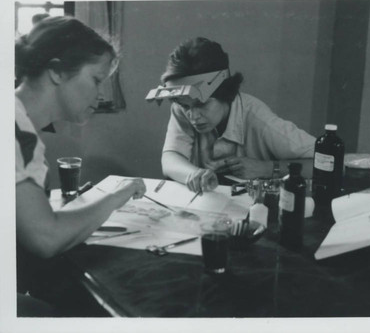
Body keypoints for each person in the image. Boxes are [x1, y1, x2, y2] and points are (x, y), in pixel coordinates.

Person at [15, 16, 146, 316]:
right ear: (58, 71)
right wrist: (117, 196)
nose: (101, 95)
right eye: (97, 80)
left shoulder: (18, 122)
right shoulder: (15, 132)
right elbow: (45, 238)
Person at [160, 37, 315, 193]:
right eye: (185, 106)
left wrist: (267, 168)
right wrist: (194, 174)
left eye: (201, 104)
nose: (192, 116)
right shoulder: (183, 107)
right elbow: (170, 158)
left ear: (225, 93)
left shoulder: (258, 118)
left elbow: (330, 163)